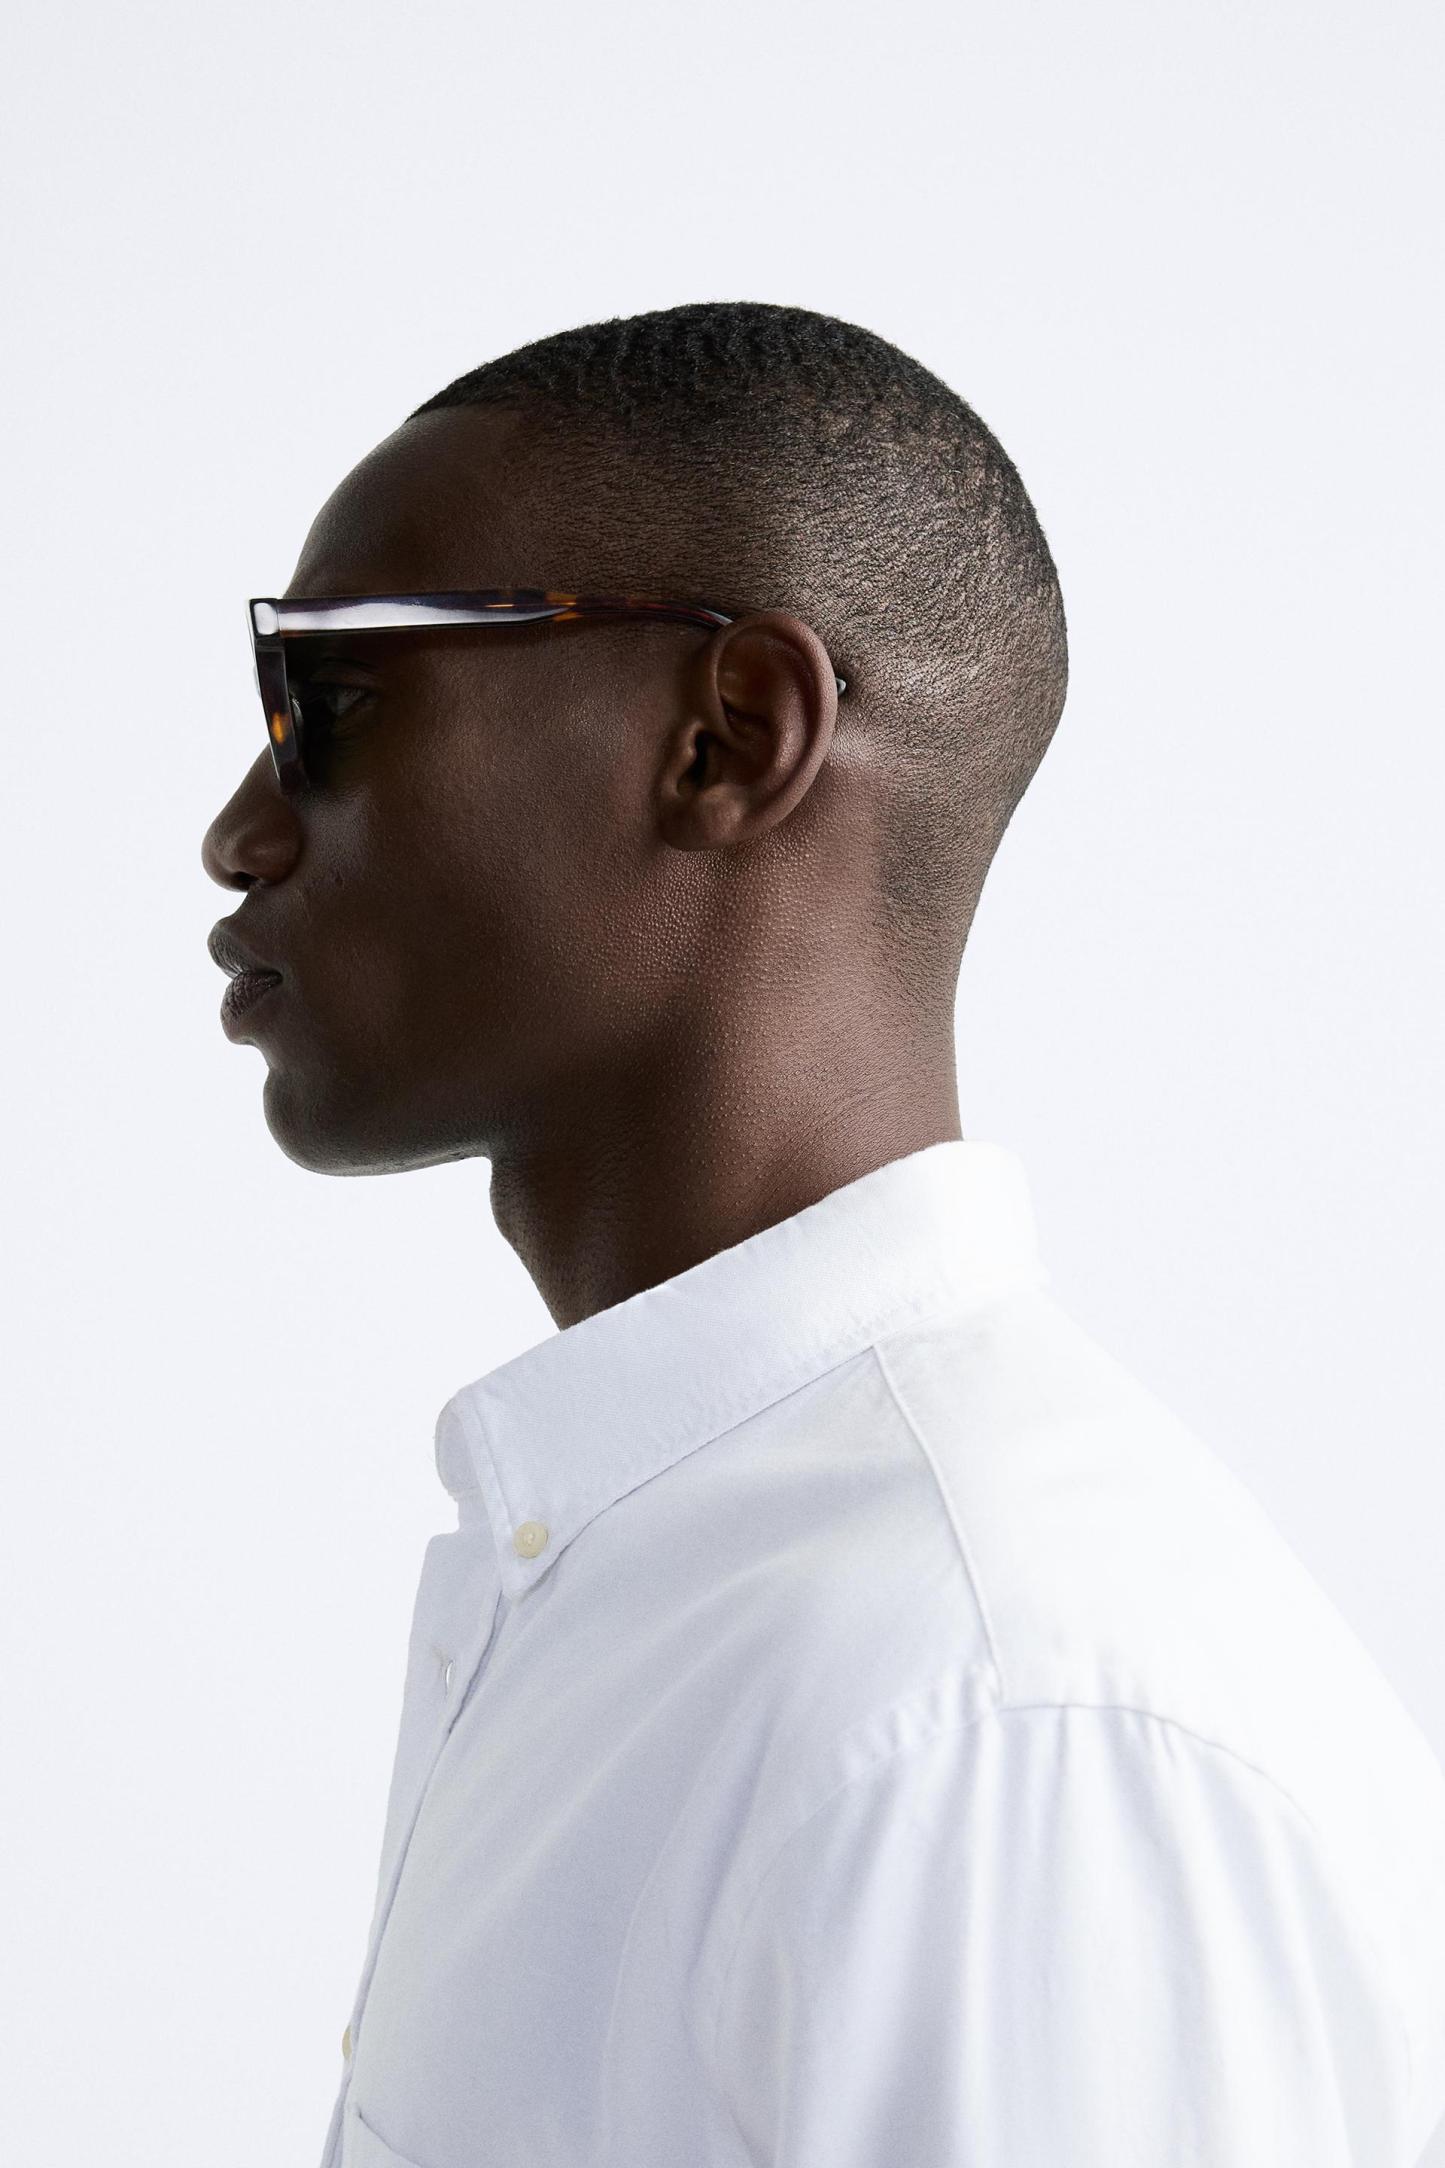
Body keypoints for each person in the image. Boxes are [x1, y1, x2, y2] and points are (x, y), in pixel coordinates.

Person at [201, 301, 1445, 2168]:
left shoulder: (990, 1716)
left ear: (729, 740)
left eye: (331, 702)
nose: (238, 833)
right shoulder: (672, 1586)